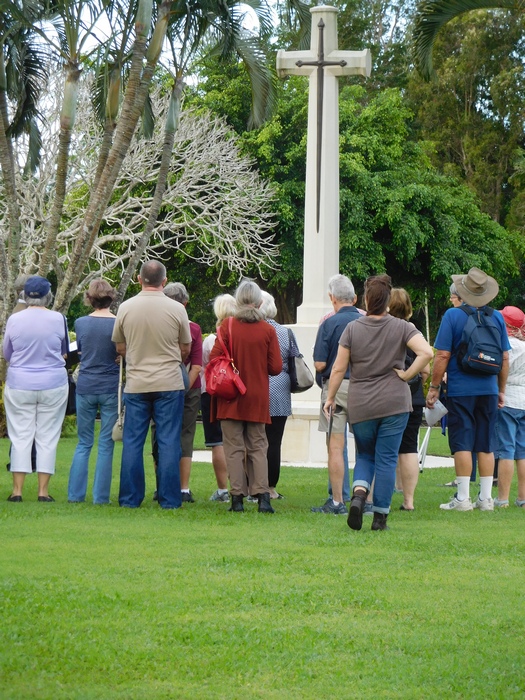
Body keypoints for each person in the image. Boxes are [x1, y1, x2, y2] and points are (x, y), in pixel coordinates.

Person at [324, 274, 433, 531]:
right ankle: (380, 517)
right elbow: (426, 352)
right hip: (394, 403)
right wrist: (407, 374)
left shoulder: (353, 328)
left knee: (365, 455)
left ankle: (359, 494)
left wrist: (330, 397)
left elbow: (338, 369)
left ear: (365, 299)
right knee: (386, 458)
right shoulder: (401, 327)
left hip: (362, 403)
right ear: (387, 300)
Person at [427, 267, 510, 512]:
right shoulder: (496, 317)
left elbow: (442, 354)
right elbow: (504, 358)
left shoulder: (453, 316)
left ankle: (462, 498)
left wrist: (433, 386)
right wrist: (500, 389)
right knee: (486, 442)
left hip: (461, 389)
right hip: (488, 389)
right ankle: (486, 499)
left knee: (462, 441)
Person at [111, 260, 191, 509]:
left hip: (137, 383)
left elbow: (120, 346)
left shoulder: (126, 307)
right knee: (168, 441)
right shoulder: (177, 309)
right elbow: (185, 347)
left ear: (139, 279)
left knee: (133, 442)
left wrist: (136, 356)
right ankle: (169, 499)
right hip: (169, 381)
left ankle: (130, 499)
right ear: (164, 281)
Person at [210, 279, 282, 514]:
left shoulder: (227, 327)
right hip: (257, 397)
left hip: (231, 396)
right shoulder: (268, 330)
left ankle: (237, 499)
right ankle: (263, 497)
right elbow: (276, 367)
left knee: (233, 448)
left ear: (238, 301)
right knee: (259, 446)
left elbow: (214, 359)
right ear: (260, 302)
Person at [3, 275, 69, 502]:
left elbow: (7, 353)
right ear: (47, 296)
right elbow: (64, 350)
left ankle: (17, 491)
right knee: (47, 437)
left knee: (20, 435)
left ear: (24, 295)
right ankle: (43, 492)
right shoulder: (59, 318)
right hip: (53, 382)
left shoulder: (15, 319)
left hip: (20, 382)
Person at [311, 274, 361, 514]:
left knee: (335, 446)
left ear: (332, 298)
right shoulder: (366, 321)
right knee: (365, 446)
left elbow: (320, 363)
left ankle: (338, 500)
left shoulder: (328, 324)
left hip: (336, 387)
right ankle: (364, 498)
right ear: (355, 298)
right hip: (364, 387)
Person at [67, 280, 119, 504]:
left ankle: (75, 495)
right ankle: (101, 497)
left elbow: (79, 350)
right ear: (111, 298)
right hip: (110, 386)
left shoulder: (80, 323)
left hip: (86, 385)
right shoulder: (118, 323)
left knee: (84, 442)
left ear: (90, 299)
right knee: (106, 443)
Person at [389, 288, 430, 511]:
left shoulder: (383, 329)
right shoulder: (414, 331)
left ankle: (375, 496)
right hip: (412, 397)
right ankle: (409, 501)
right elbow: (426, 369)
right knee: (409, 448)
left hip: (387, 395)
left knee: (384, 447)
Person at [161, 282, 202, 503]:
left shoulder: (156, 324)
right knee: (186, 436)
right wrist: (183, 387)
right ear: (185, 303)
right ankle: (183, 488)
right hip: (188, 386)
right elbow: (196, 366)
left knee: (161, 433)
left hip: (159, 385)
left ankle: (162, 485)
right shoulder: (193, 328)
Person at [201, 294, 237, 502]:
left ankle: (223, 489)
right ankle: (240, 486)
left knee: (217, 442)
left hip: (213, 392)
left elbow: (206, 365)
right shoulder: (241, 337)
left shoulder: (210, 340)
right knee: (237, 440)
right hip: (235, 390)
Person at [260, 290, 294, 500]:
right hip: (280, 389)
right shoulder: (285, 332)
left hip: (256, 388)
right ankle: (271, 487)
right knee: (274, 442)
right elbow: (295, 357)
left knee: (254, 441)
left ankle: (252, 485)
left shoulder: (252, 330)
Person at [494, 306, 525, 508]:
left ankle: (502, 499)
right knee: (522, 452)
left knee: (506, 449)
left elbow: (501, 369)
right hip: (524, 400)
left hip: (509, 399)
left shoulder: (508, 346)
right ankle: (522, 498)